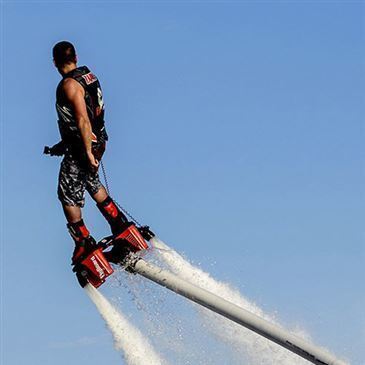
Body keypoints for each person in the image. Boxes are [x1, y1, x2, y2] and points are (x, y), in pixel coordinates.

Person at [48, 41, 132, 265]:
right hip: (97, 140)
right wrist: (63, 144)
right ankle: (118, 223)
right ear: (75, 56)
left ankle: (83, 241)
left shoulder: (69, 85)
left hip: (84, 146)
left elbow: (82, 119)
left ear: (54, 61)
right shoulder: (88, 75)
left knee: (67, 192)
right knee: (90, 181)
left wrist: (85, 151)